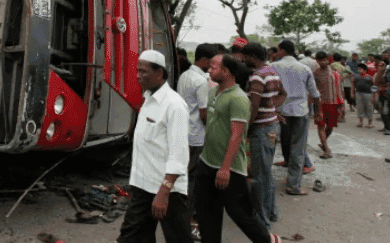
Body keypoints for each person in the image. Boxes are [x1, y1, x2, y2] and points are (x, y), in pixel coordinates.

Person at [193, 54, 280, 243]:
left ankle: (269, 240)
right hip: (207, 161)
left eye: (214, 66)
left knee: (241, 213)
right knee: (206, 212)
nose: (209, 69)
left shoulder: (239, 98)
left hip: (229, 167)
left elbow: (237, 135)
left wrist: (225, 168)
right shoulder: (213, 92)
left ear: (227, 72)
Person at [117, 50, 192, 243]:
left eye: (143, 71)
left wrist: (164, 192)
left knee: (178, 238)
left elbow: (179, 154)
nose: (138, 75)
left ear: (160, 73)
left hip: (167, 189)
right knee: (131, 237)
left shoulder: (174, 105)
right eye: (137, 70)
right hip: (142, 185)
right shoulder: (148, 100)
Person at [241, 42, 287, 229]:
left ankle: (261, 219)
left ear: (252, 55)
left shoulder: (258, 77)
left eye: (245, 56)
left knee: (259, 176)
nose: (243, 60)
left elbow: (254, 106)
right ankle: (271, 212)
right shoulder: (271, 72)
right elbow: (283, 94)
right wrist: (273, 110)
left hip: (261, 129)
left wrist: (247, 129)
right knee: (266, 173)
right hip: (272, 127)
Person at [176, 43, 217, 239]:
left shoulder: (185, 75)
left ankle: (181, 215)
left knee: (185, 175)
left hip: (184, 131)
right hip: (196, 135)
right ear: (205, 60)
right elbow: (203, 113)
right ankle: (188, 220)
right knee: (193, 179)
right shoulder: (201, 81)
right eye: (213, 61)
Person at [270, 40, 322, 195]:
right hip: (299, 111)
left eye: (278, 50)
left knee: (284, 141)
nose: (276, 53)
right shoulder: (304, 68)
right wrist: (318, 111)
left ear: (283, 51)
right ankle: (293, 184)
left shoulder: (273, 67)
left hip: (279, 110)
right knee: (298, 147)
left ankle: (287, 165)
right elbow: (315, 93)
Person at [314, 52, 343, 159]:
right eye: (319, 60)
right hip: (320, 103)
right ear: (316, 60)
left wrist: (341, 105)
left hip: (333, 103)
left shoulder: (334, 72)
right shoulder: (315, 73)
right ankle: (327, 149)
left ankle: (323, 142)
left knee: (330, 126)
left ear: (328, 59)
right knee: (321, 126)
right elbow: (312, 90)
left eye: (324, 59)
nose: (322, 62)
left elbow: (339, 88)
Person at [354, 63, 376, 128]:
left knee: (369, 107)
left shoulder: (369, 77)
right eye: (359, 69)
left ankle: (370, 122)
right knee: (360, 107)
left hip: (368, 94)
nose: (359, 70)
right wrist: (352, 93)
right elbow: (353, 84)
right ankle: (360, 121)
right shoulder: (356, 77)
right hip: (359, 93)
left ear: (365, 70)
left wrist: (374, 95)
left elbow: (374, 86)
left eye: (361, 69)